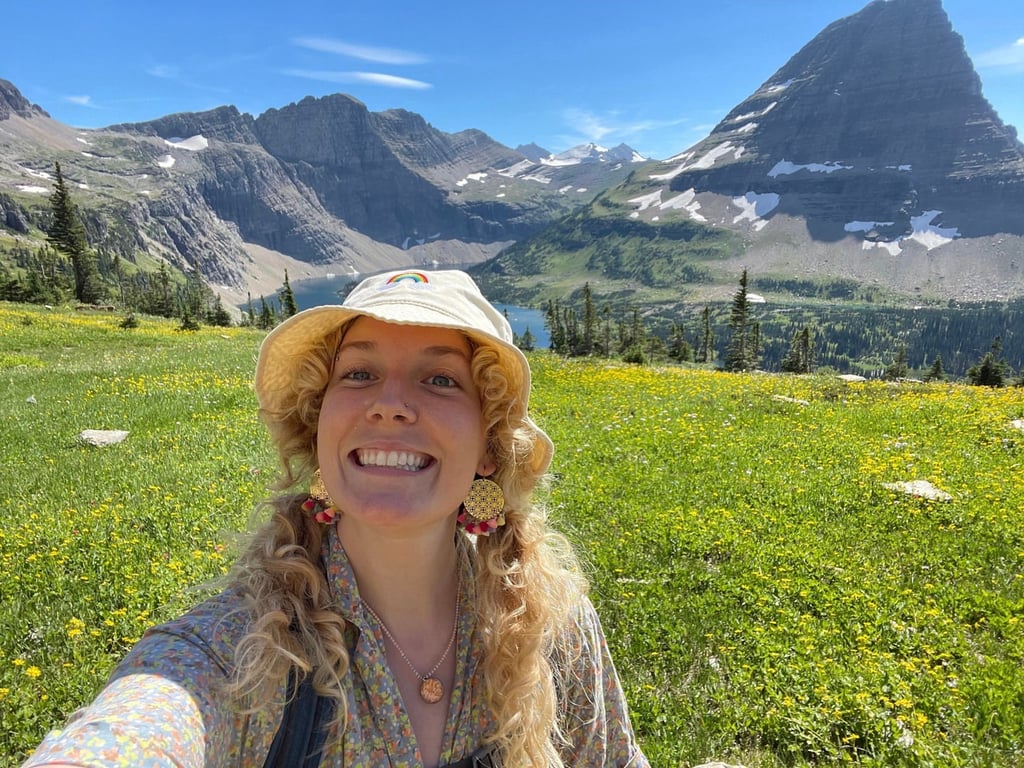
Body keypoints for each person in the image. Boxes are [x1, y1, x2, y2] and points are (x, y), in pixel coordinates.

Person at [24, 269, 648, 767]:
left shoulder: (549, 621)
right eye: (359, 373)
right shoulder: (230, 651)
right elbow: (139, 728)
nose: (390, 405)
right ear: (317, 427)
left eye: (439, 378)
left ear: (488, 448)